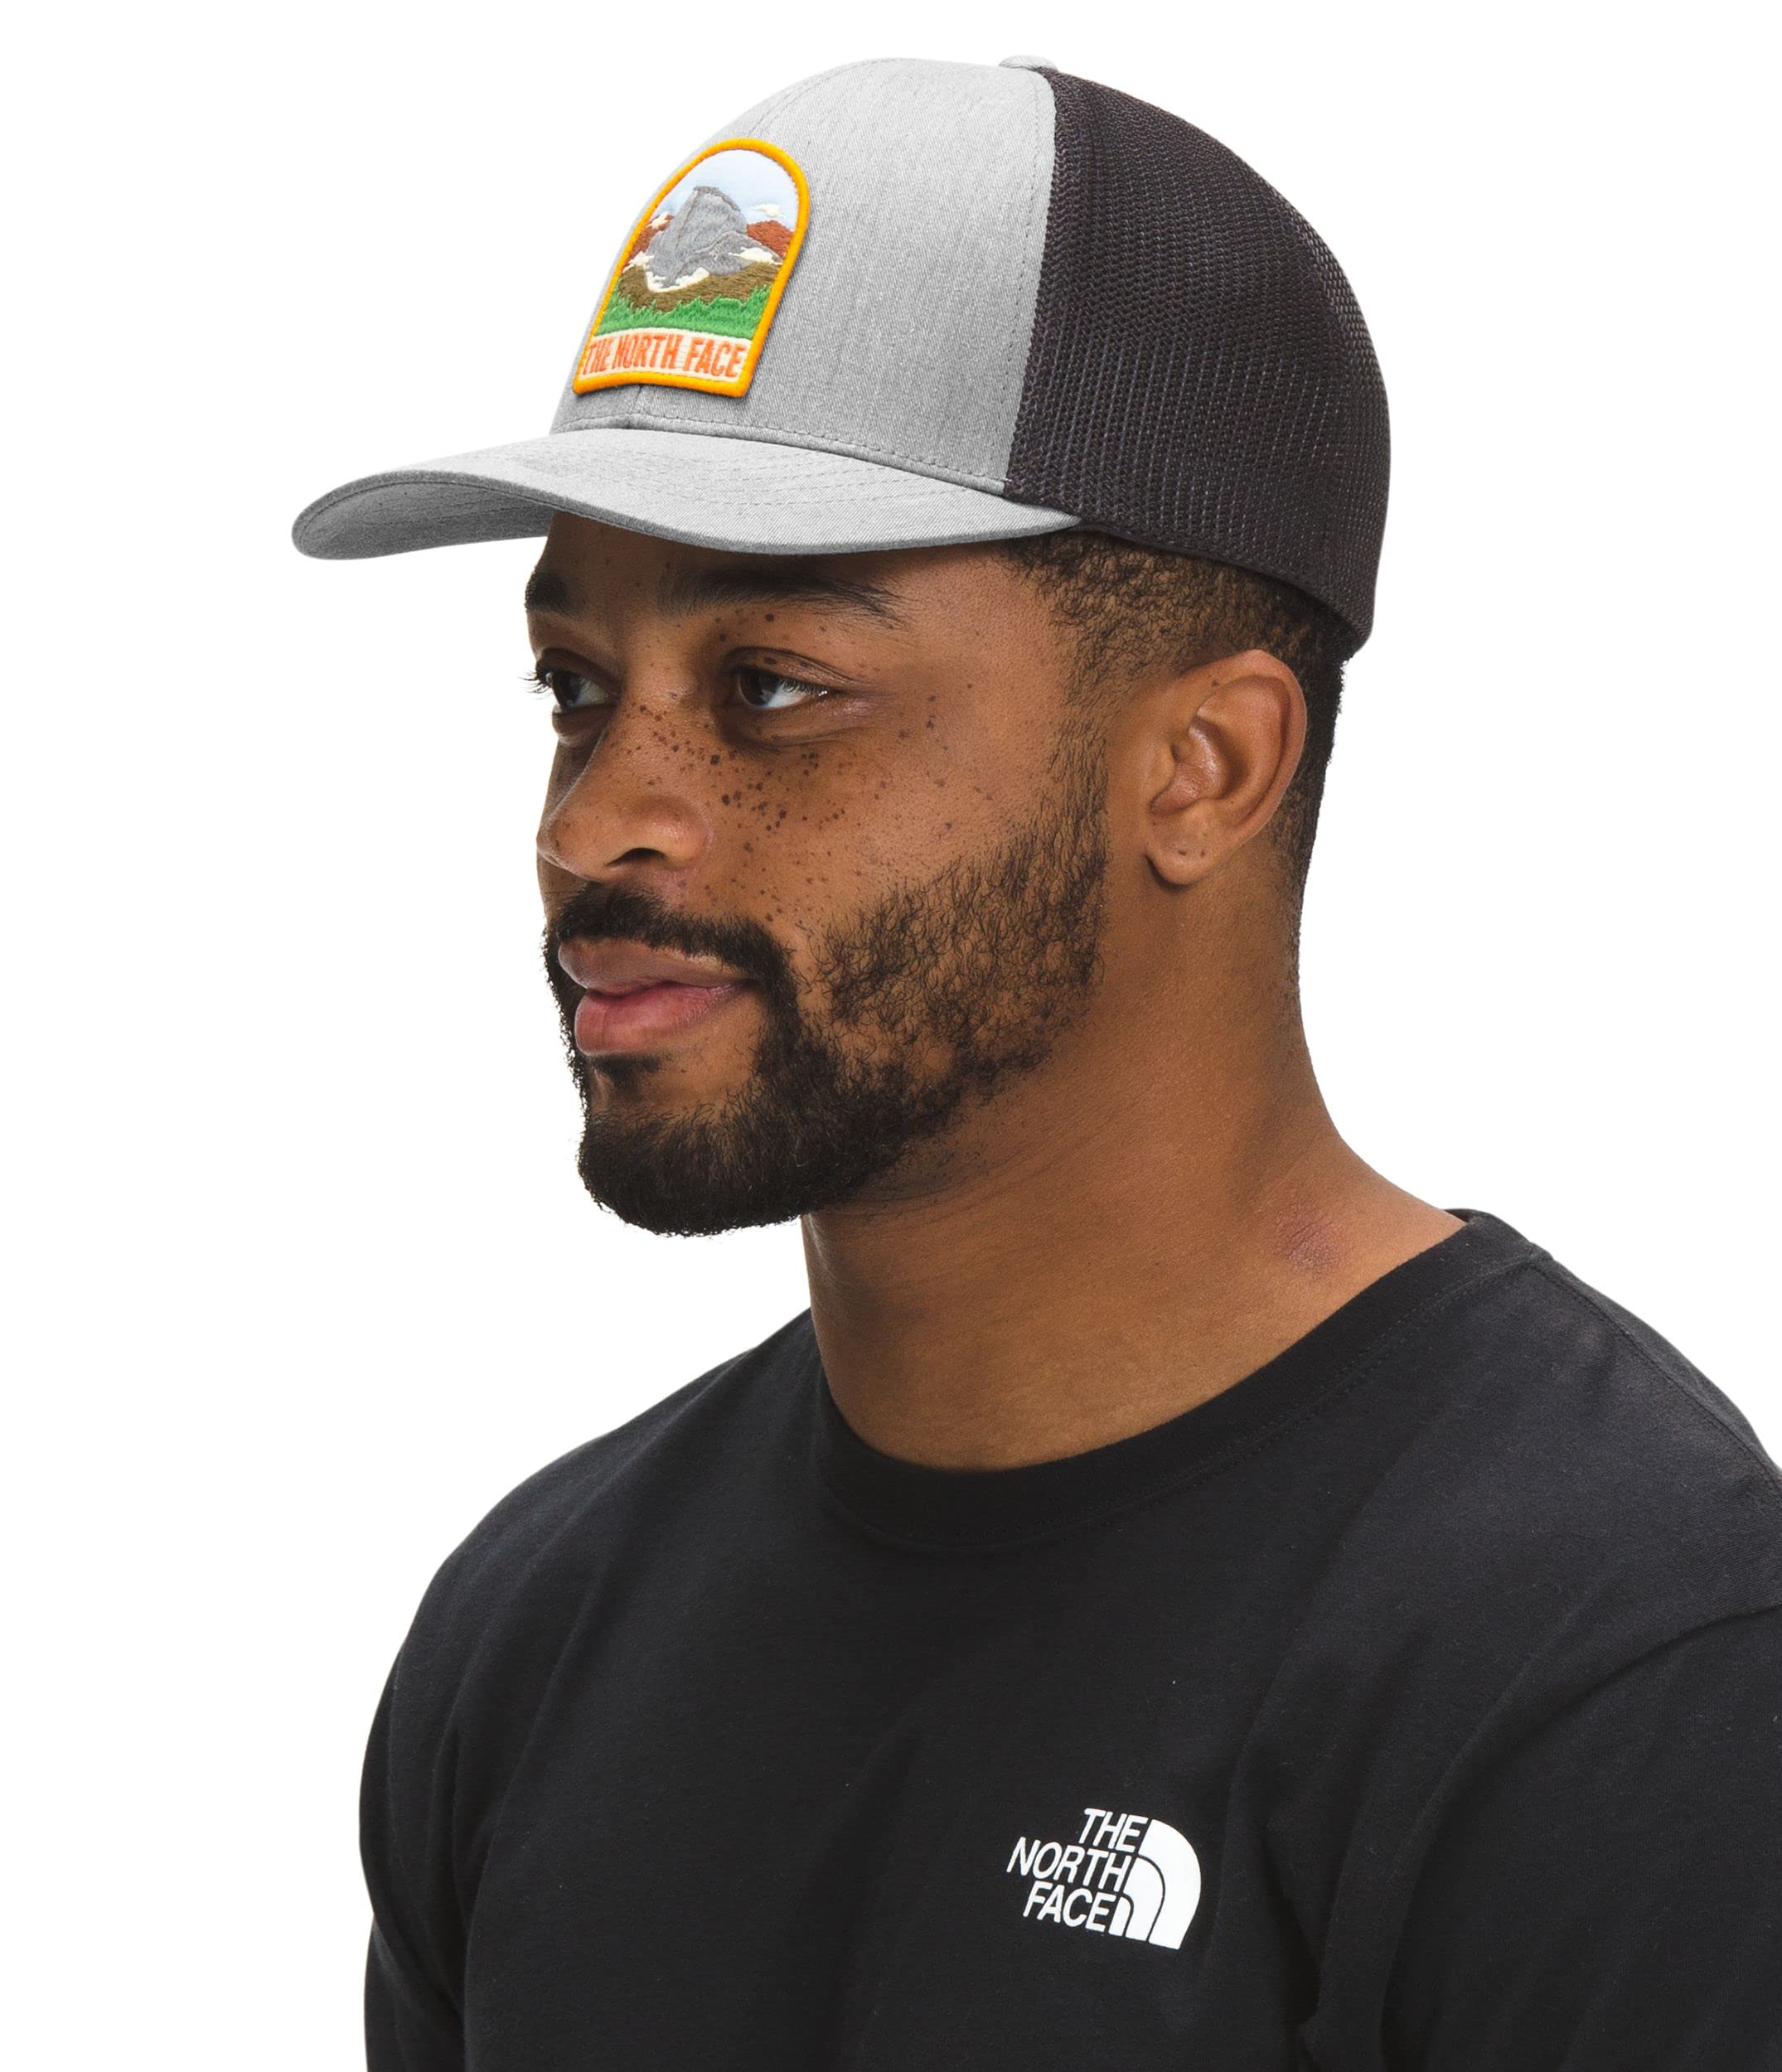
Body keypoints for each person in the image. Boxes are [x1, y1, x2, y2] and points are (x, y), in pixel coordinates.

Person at [293, 54, 1782, 2072]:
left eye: (771, 688)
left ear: (1204, 765)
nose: (597, 823)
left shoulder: (1623, 1678)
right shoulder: (533, 1633)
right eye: (575, 687)